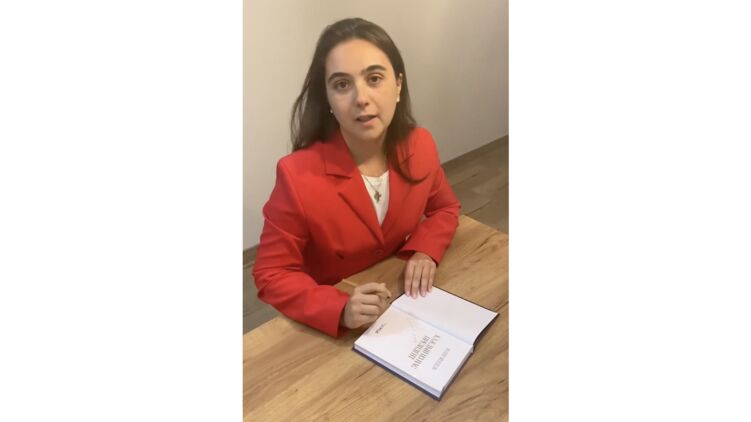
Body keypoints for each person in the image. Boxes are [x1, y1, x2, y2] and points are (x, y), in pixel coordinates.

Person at [252, 17, 461, 338]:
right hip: (335, 324)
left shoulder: (420, 144)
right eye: (341, 84)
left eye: (374, 78)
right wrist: (338, 308)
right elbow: (271, 272)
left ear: (398, 85)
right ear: (328, 99)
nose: (361, 98)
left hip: (402, 299)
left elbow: (444, 208)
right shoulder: (296, 175)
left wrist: (425, 250)